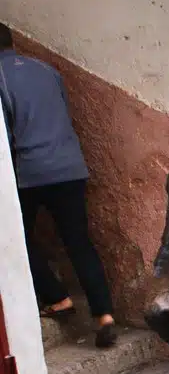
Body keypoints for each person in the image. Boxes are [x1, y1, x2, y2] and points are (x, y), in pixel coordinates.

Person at [0, 23, 117, 347]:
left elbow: (4, 136)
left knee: (16, 239)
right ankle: (104, 315)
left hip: (29, 171)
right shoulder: (47, 70)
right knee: (79, 242)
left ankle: (57, 297)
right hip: (69, 166)